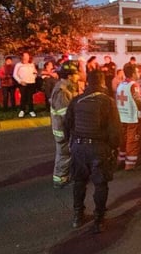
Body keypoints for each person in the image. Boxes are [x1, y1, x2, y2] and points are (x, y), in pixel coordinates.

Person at [63, 70, 121, 233]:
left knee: (79, 182)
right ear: (102, 83)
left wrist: (71, 143)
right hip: (99, 148)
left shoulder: (76, 100)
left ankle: (77, 215)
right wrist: (114, 148)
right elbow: (114, 130)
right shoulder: (108, 102)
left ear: (87, 82)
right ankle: (99, 219)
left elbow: (67, 124)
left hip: (79, 147)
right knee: (100, 184)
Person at [51, 60, 82, 188]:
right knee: (64, 155)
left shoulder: (66, 88)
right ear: (69, 76)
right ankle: (60, 180)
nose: (78, 76)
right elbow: (66, 114)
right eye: (76, 74)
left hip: (64, 128)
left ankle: (65, 176)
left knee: (67, 154)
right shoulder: (62, 91)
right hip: (63, 129)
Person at [116, 63, 141, 171]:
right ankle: (130, 165)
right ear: (133, 74)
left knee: (123, 140)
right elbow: (137, 99)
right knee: (132, 141)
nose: (139, 73)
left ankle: (121, 161)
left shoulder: (121, 84)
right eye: (137, 71)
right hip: (132, 117)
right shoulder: (134, 85)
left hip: (122, 116)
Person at [14, 52, 38, 118]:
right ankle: (22, 110)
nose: (26, 57)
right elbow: (15, 74)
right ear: (22, 57)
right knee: (23, 97)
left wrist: (34, 77)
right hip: (23, 83)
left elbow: (35, 72)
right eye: (25, 56)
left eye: (27, 56)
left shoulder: (31, 64)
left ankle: (31, 110)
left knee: (30, 97)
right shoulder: (18, 65)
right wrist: (20, 81)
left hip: (31, 83)